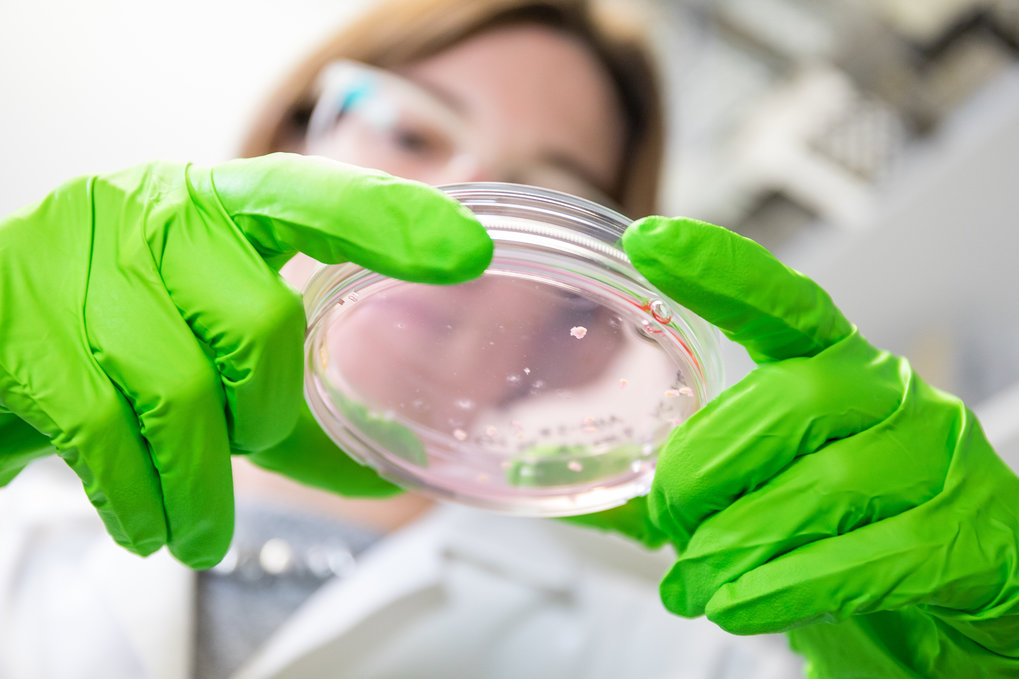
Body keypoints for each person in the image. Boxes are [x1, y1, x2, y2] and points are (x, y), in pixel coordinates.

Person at [1, 2, 1017, 679]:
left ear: (583, 325)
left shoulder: (686, 645)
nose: (454, 208)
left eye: (546, 196)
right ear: (282, 150)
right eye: (409, 132)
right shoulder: (21, 524)